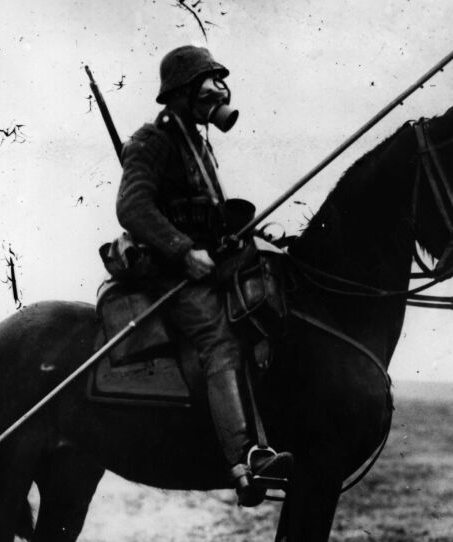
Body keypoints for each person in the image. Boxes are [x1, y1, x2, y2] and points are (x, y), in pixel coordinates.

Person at [115, 45, 292, 506]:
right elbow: (132, 206)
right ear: (182, 91)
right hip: (170, 276)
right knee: (218, 337)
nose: (218, 90)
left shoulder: (197, 142)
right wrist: (182, 251)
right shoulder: (153, 141)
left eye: (219, 80)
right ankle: (244, 460)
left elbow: (206, 213)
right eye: (207, 81)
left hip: (208, 263)